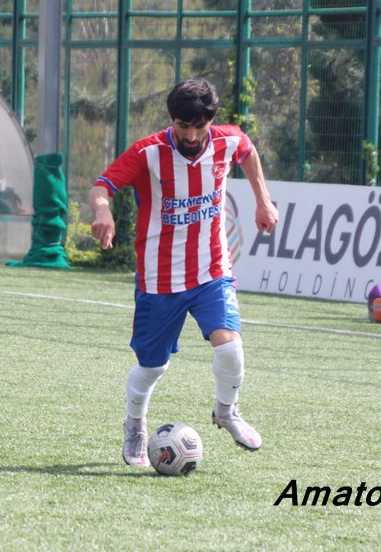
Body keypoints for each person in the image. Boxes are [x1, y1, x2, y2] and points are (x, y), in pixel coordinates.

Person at [89, 78, 280, 467]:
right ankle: (135, 426)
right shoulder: (149, 152)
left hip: (211, 270)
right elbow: (102, 185)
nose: (191, 135)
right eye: (182, 126)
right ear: (171, 120)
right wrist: (102, 211)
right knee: (152, 366)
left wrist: (264, 200)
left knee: (231, 348)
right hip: (160, 278)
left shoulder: (227, 140)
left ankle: (226, 410)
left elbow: (247, 151)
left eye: (199, 126)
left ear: (212, 119)